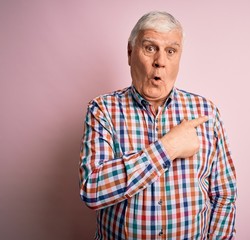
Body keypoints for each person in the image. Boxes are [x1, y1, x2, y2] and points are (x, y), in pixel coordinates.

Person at [79, 11, 237, 239]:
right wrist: (168, 147)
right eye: (150, 48)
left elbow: (224, 195)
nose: (160, 61)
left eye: (170, 51)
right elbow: (93, 190)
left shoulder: (206, 112)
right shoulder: (103, 110)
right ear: (130, 53)